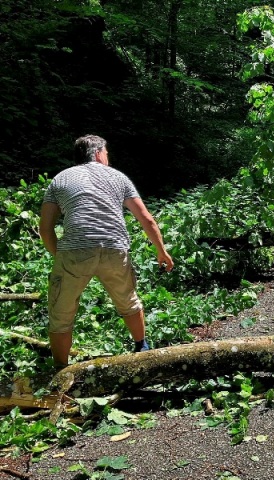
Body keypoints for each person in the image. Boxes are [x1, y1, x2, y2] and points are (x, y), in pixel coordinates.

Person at [39, 134, 174, 369]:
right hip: (114, 247)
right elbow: (147, 220)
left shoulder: (60, 179)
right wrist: (161, 251)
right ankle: (142, 348)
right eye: (107, 154)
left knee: (61, 314)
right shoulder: (118, 178)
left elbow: (45, 228)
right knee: (128, 300)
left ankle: (60, 371)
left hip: (75, 250)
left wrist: (59, 255)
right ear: (100, 153)